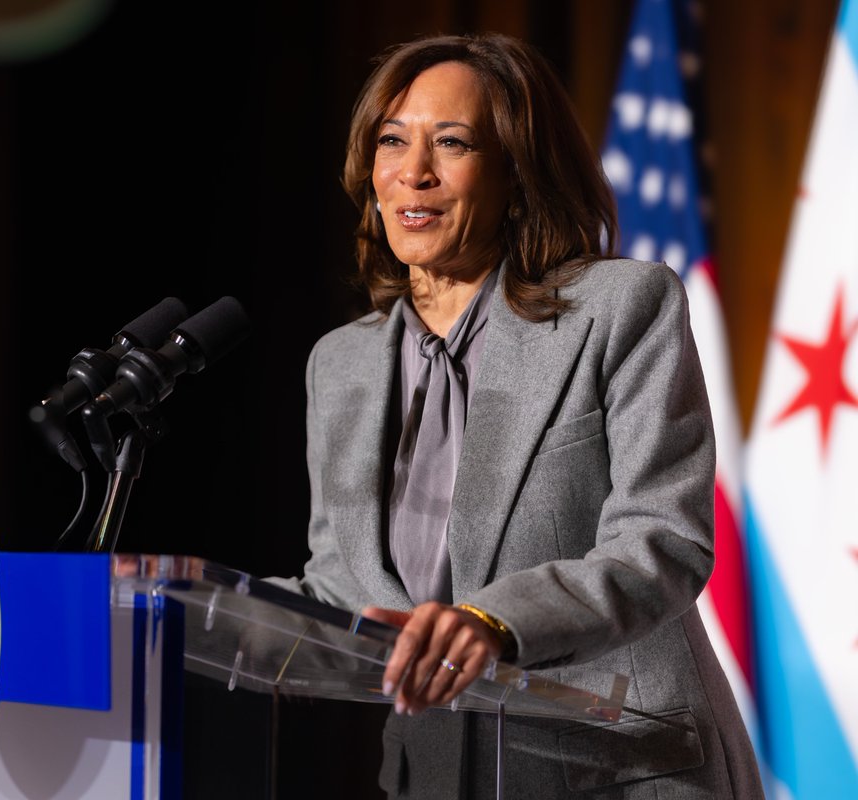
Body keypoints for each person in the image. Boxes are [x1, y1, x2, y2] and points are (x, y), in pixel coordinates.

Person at [264, 32, 764, 799]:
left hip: (625, 770)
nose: (413, 172)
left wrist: (492, 621)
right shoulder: (342, 365)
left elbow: (660, 542)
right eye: (392, 141)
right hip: (437, 777)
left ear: (517, 172)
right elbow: (343, 590)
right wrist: (185, 622)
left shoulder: (619, 310)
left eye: (453, 143)